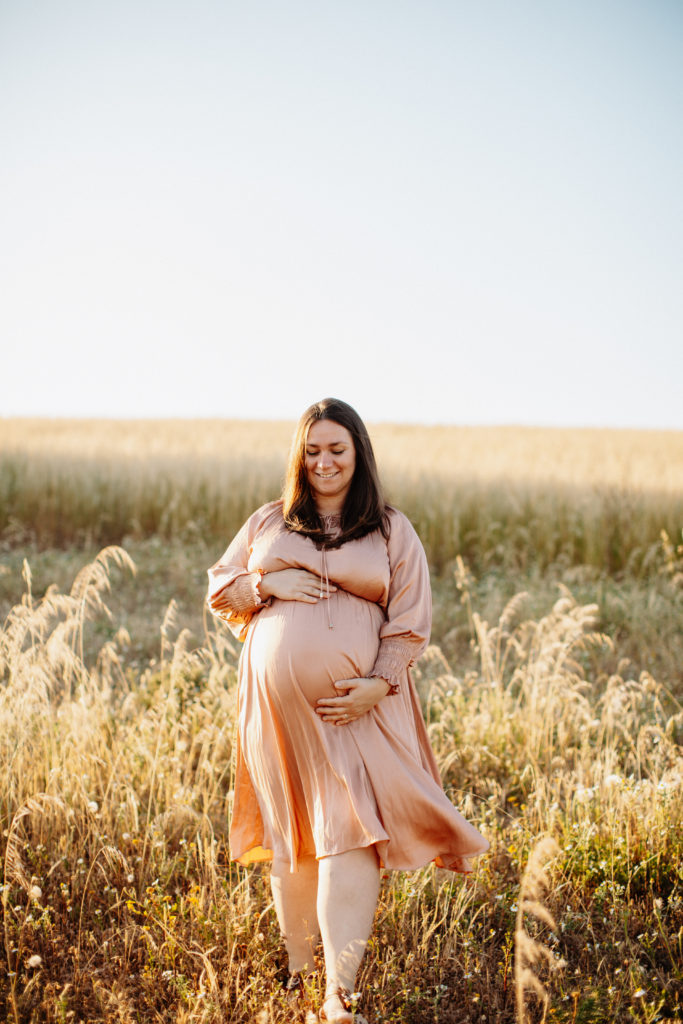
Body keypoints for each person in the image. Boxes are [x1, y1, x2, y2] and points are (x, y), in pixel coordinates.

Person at [206, 398, 488, 1023]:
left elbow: (411, 623)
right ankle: (300, 977)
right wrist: (266, 586)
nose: (324, 462)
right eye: (312, 451)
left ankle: (339, 995)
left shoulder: (390, 529)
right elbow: (219, 587)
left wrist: (378, 685)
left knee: (351, 831)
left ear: (358, 452)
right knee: (295, 839)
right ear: (298, 459)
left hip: (355, 708)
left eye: (337, 449)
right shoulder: (269, 522)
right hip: (275, 711)